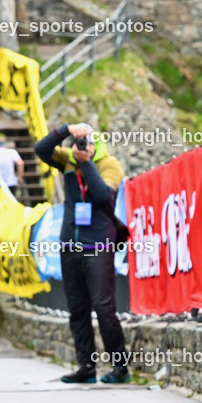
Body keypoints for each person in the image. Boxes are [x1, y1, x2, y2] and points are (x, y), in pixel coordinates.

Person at [34, 123, 130, 384]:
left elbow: (102, 196)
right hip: (69, 246)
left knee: (103, 307)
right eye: (80, 143)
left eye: (87, 143)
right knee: (77, 309)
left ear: (96, 145)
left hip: (98, 245)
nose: (82, 147)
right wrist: (66, 130)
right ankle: (86, 367)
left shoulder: (110, 165)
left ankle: (120, 367)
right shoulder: (68, 160)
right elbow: (41, 149)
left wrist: (86, 164)